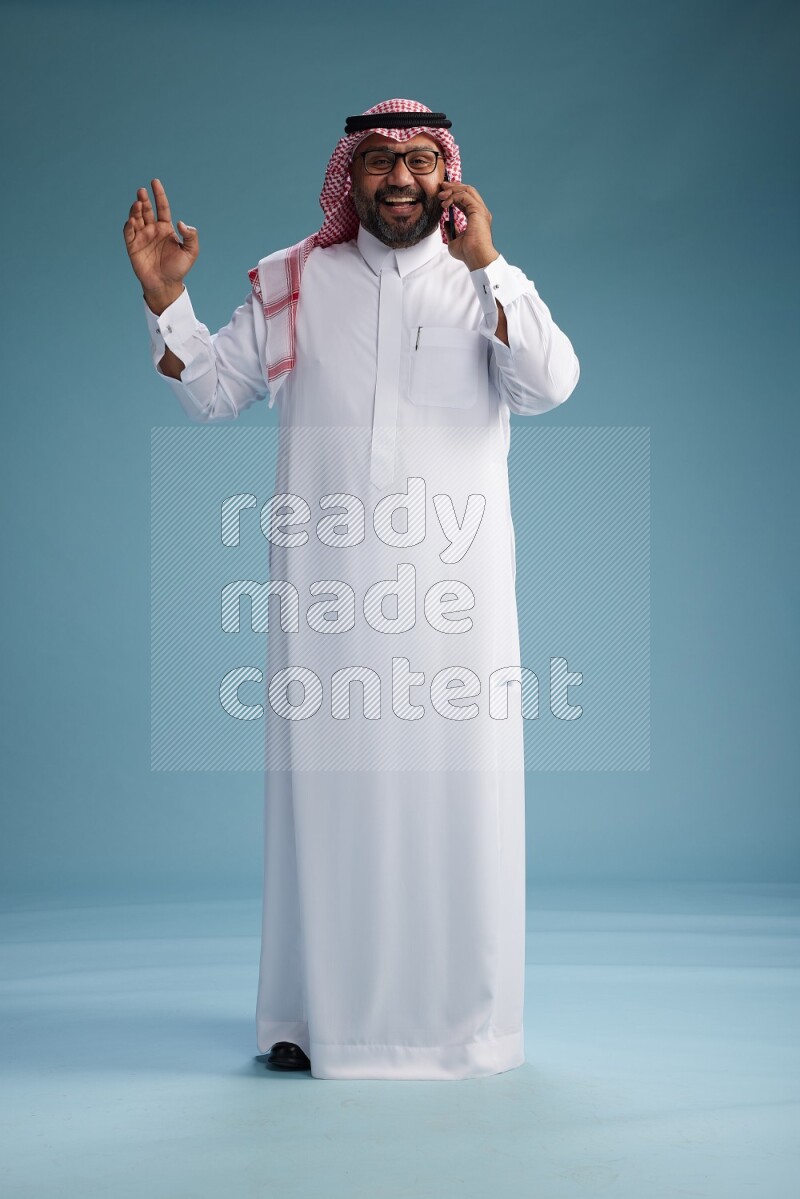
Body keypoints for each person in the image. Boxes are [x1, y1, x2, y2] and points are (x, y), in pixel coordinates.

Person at [124, 98, 580, 1081]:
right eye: (378, 160)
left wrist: (488, 264)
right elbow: (206, 388)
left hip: (455, 613)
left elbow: (549, 383)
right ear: (349, 175)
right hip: (326, 609)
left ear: (446, 173)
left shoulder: (482, 284)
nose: (400, 178)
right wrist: (167, 300)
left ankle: (467, 1027)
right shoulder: (296, 280)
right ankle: (309, 1019)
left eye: (419, 159)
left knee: (456, 806)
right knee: (326, 811)